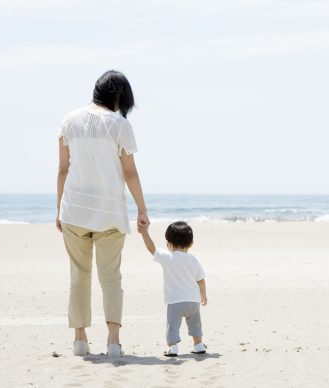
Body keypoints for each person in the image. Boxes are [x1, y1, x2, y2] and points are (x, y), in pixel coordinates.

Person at [56, 70, 149, 358]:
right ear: (119, 96)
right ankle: (113, 342)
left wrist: (59, 208)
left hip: (75, 210)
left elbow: (63, 168)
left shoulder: (69, 120)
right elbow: (130, 172)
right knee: (111, 278)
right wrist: (142, 209)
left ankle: (80, 340)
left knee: (78, 276)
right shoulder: (119, 125)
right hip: (110, 212)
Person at [138, 221, 208, 356]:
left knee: (173, 325)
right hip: (193, 302)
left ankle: (173, 347)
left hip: (175, 301)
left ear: (168, 244)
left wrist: (144, 233)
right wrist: (203, 295)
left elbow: (151, 248)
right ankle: (198, 344)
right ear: (191, 243)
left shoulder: (167, 257)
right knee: (195, 324)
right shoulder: (193, 259)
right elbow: (201, 280)